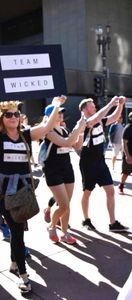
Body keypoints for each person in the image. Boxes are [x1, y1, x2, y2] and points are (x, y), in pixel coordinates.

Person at [0, 97, 65, 294]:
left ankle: (14, 264)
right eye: (8, 114)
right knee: (17, 231)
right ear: (1, 118)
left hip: (22, 193)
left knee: (17, 229)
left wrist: (55, 105)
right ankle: (23, 275)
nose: (13, 117)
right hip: (3, 194)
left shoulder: (26, 135)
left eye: (16, 114)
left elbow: (46, 128)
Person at [78, 97, 128, 232]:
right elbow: (98, 116)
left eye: (94, 105)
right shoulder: (84, 122)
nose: (94, 107)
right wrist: (111, 103)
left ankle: (113, 223)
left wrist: (120, 105)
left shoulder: (99, 120)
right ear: (84, 109)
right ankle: (86, 219)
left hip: (100, 162)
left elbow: (113, 117)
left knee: (110, 191)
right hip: (88, 163)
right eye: (91, 105)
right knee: (87, 192)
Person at [43, 104, 86, 244]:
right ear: (50, 116)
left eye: (62, 112)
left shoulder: (64, 129)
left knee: (67, 205)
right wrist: (78, 127)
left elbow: (77, 146)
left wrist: (81, 131)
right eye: (57, 112)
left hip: (67, 170)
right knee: (64, 205)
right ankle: (51, 226)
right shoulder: (48, 131)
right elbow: (67, 142)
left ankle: (65, 233)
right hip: (53, 172)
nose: (61, 114)